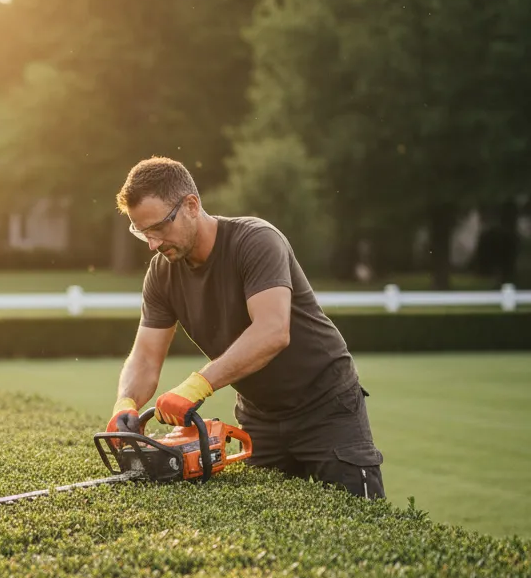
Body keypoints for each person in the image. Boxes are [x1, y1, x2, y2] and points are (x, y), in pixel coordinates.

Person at [108, 156, 384, 500]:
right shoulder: (162, 273)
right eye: (143, 233)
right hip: (259, 417)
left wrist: (198, 385)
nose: (153, 244)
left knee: (359, 522)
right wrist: (126, 402)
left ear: (192, 205)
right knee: (265, 532)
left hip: (326, 407)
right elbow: (146, 357)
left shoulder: (255, 241)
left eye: (160, 227)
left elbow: (272, 331)